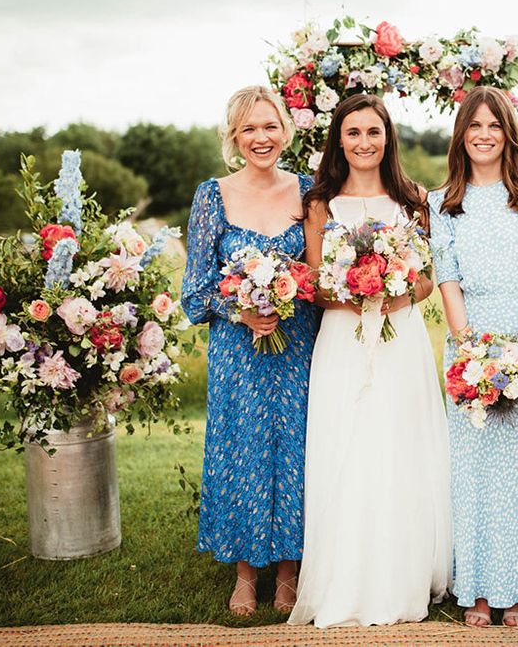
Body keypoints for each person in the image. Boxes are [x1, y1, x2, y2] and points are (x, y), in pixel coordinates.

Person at [288, 94, 452, 628]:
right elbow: (312, 285)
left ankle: (401, 576)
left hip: (398, 339)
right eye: (353, 132)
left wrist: (396, 288)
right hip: (341, 339)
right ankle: (345, 577)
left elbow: (428, 277)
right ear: (339, 139)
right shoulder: (320, 204)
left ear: (388, 139)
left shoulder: (414, 200)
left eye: (374, 133)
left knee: (398, 449)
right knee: (347, 447)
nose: (364, 143)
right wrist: (359, 292)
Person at [180, 85, 317, 616]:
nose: (261, 138)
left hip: (297, 346)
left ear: (286, 129)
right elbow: (194, 291)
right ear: (233, 137)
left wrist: (288, 293)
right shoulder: (211, 195)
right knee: (242, 451)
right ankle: (244, 572)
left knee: (296, 449)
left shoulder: (308, 191)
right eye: (249, 129)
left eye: (270, 126)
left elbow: (321, 271)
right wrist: (242, 309)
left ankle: (288, 571)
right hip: (238, 351)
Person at [428, 86, 518, 628]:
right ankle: (478, 590)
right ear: (462, 134)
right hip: (470, 339)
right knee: (474, 471)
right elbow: (447, 277)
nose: (484, 135)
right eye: (475, 126)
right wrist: (473, 352)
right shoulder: (442, 202)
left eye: (495, 126)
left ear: (508, 133)